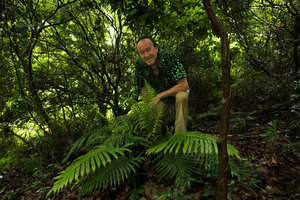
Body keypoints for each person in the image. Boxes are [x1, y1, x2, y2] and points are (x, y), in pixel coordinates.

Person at [134, 36, 189, 133]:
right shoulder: (139, 64)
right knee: (150, 119)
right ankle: (156, 141)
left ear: (156, 48)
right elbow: (142, 87)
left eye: (148, 50)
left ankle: (180, 136)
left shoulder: (169, 56)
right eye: (142, 53)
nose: (146, 55)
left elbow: (184, 85)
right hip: (161, 96)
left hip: (177, 90)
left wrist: (160, 95)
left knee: (182, 97)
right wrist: (150, 105)